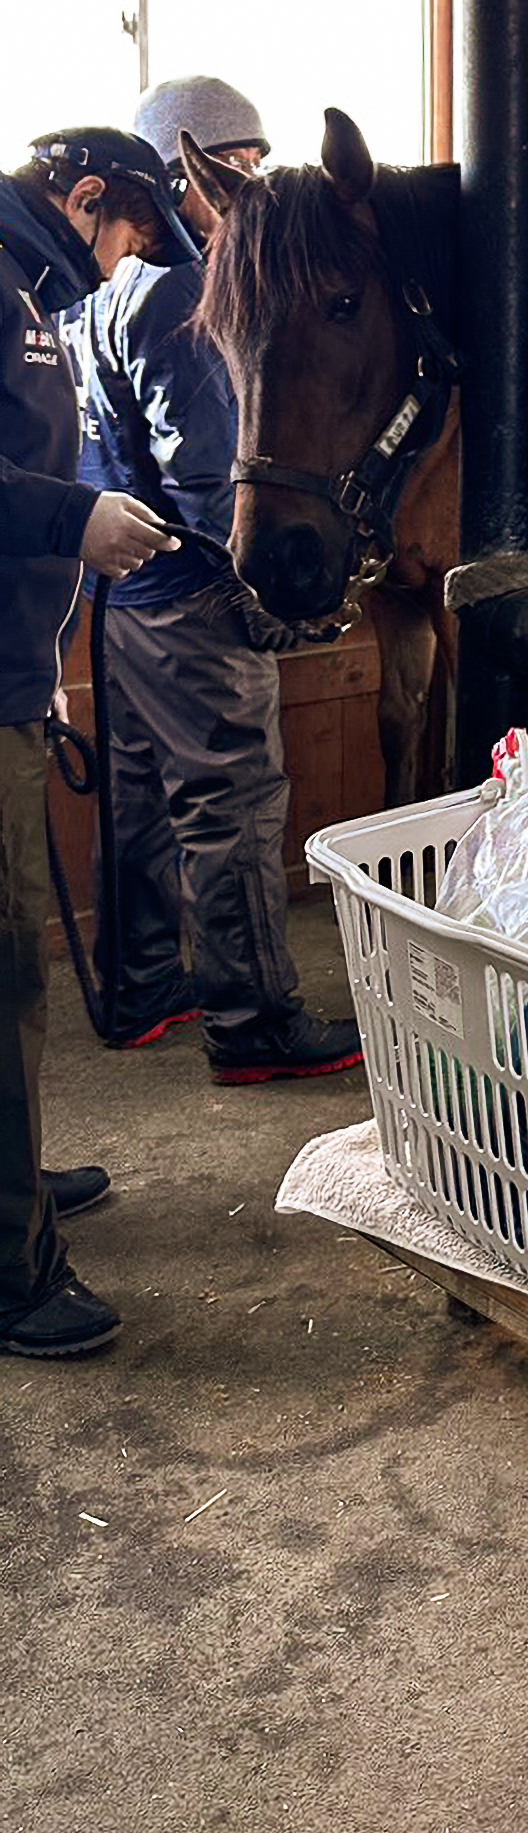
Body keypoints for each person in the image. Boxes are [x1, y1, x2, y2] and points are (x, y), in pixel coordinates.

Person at [67, 78, 362, 1085]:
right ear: (177, 176)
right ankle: (254, 1022)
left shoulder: (98, 283)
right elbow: (204, 472)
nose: (248, 182)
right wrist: (261, 607)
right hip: (192, 598)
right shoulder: (192, 295)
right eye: (233, 166)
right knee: (231, 802)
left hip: (117, 598)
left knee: (140, 797)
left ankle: (143, 983)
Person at [2, 127, 183, 1356]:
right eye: (127, 236)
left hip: (10, 676)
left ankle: (9, 1185)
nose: (125, 265)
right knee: (4, 974)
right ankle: (10, 1271)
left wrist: (41, 674)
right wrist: (81, 517)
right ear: (82, 200)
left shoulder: (25, 289)